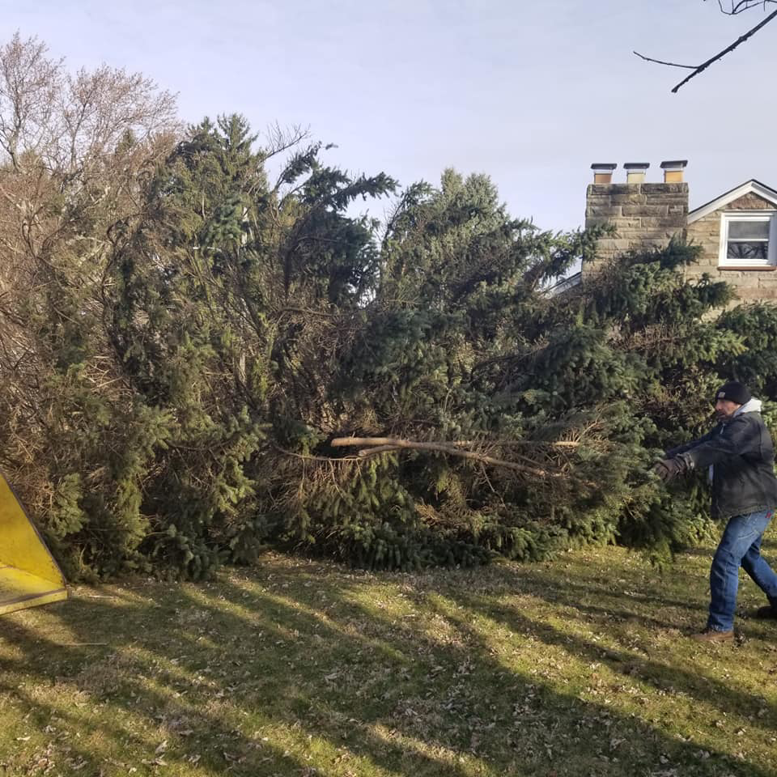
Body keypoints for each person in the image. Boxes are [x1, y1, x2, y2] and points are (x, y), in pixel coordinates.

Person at [654, 381, 777, 643]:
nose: (718, 407)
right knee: (749, 557)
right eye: (717, 401)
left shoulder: (747, 425)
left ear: (739, 403)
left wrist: (681, 464)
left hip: (757, 504)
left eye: (724, 402)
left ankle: (721, 627)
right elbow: (703, 442)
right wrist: (666, 456)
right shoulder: (729, 424)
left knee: (726, 559)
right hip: (752, 502)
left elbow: (720, 449)